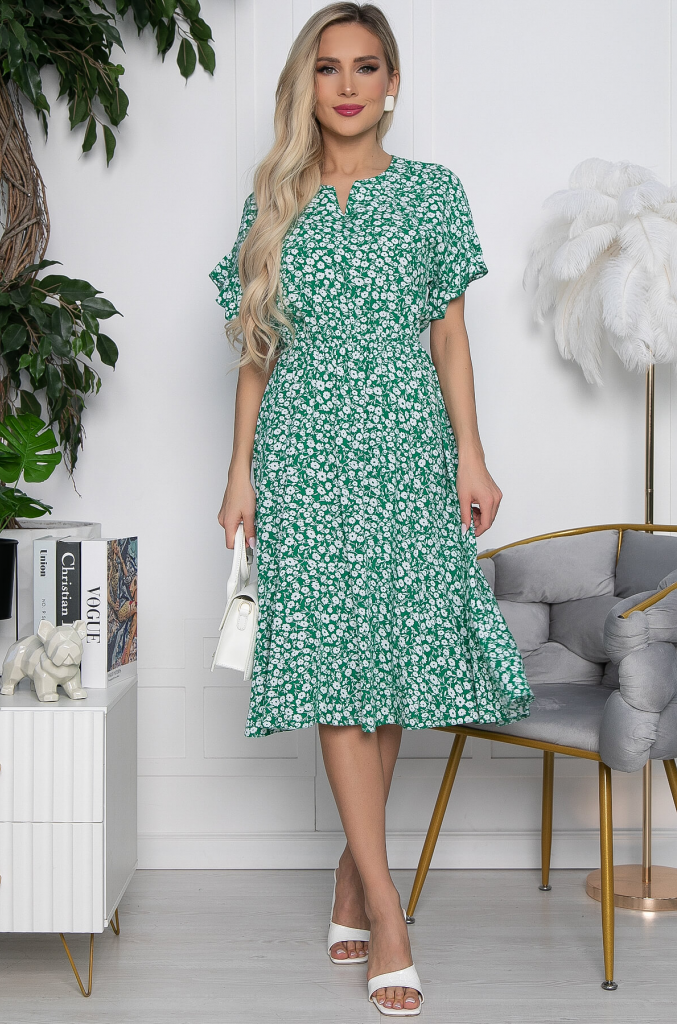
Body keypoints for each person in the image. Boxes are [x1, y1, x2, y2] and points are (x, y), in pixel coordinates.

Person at [212, 3, 533, 1016]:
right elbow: (256, 351)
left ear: (391, 83)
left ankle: (353, 875)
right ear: (305, 85)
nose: (345, 86)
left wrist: (470, 454)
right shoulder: (273, 199)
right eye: (326, 68)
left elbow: (450, 337)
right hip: (303, 457)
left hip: (406, 451)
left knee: (388, 668)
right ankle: (389, 914)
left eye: (364, 67)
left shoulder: (432, 193)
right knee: (336, 676)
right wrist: (239, 471)